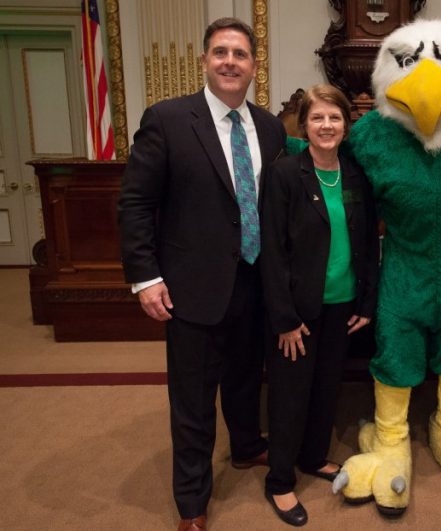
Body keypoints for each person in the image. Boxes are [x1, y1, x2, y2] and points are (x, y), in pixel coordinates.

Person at [118, 17, 286, 531]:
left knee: (243, 380)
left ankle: (246, 447)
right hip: (191, 287)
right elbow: (136, 203)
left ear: (255, 66)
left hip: (254, 283)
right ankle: (192, 502)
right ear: (204, 60)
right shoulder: (167, 119)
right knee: (192, 400)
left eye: (240, 54)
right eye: (220, 52)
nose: (230, 62)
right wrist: (146, 277)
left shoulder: (271, 127)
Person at [259, 84, 379, 527]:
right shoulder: (286, 174)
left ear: (346, 126)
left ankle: (313, 457)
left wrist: (367, 301)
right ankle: (279, 480)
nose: (326, 126)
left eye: (334, 118)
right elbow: (272, 251)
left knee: (328, 387)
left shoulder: (356, 174)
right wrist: (284, 319)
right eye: (317, 118)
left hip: (342, 306)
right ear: (303, 125)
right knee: (291, 395)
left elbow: (368, 243)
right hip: (298, 311)